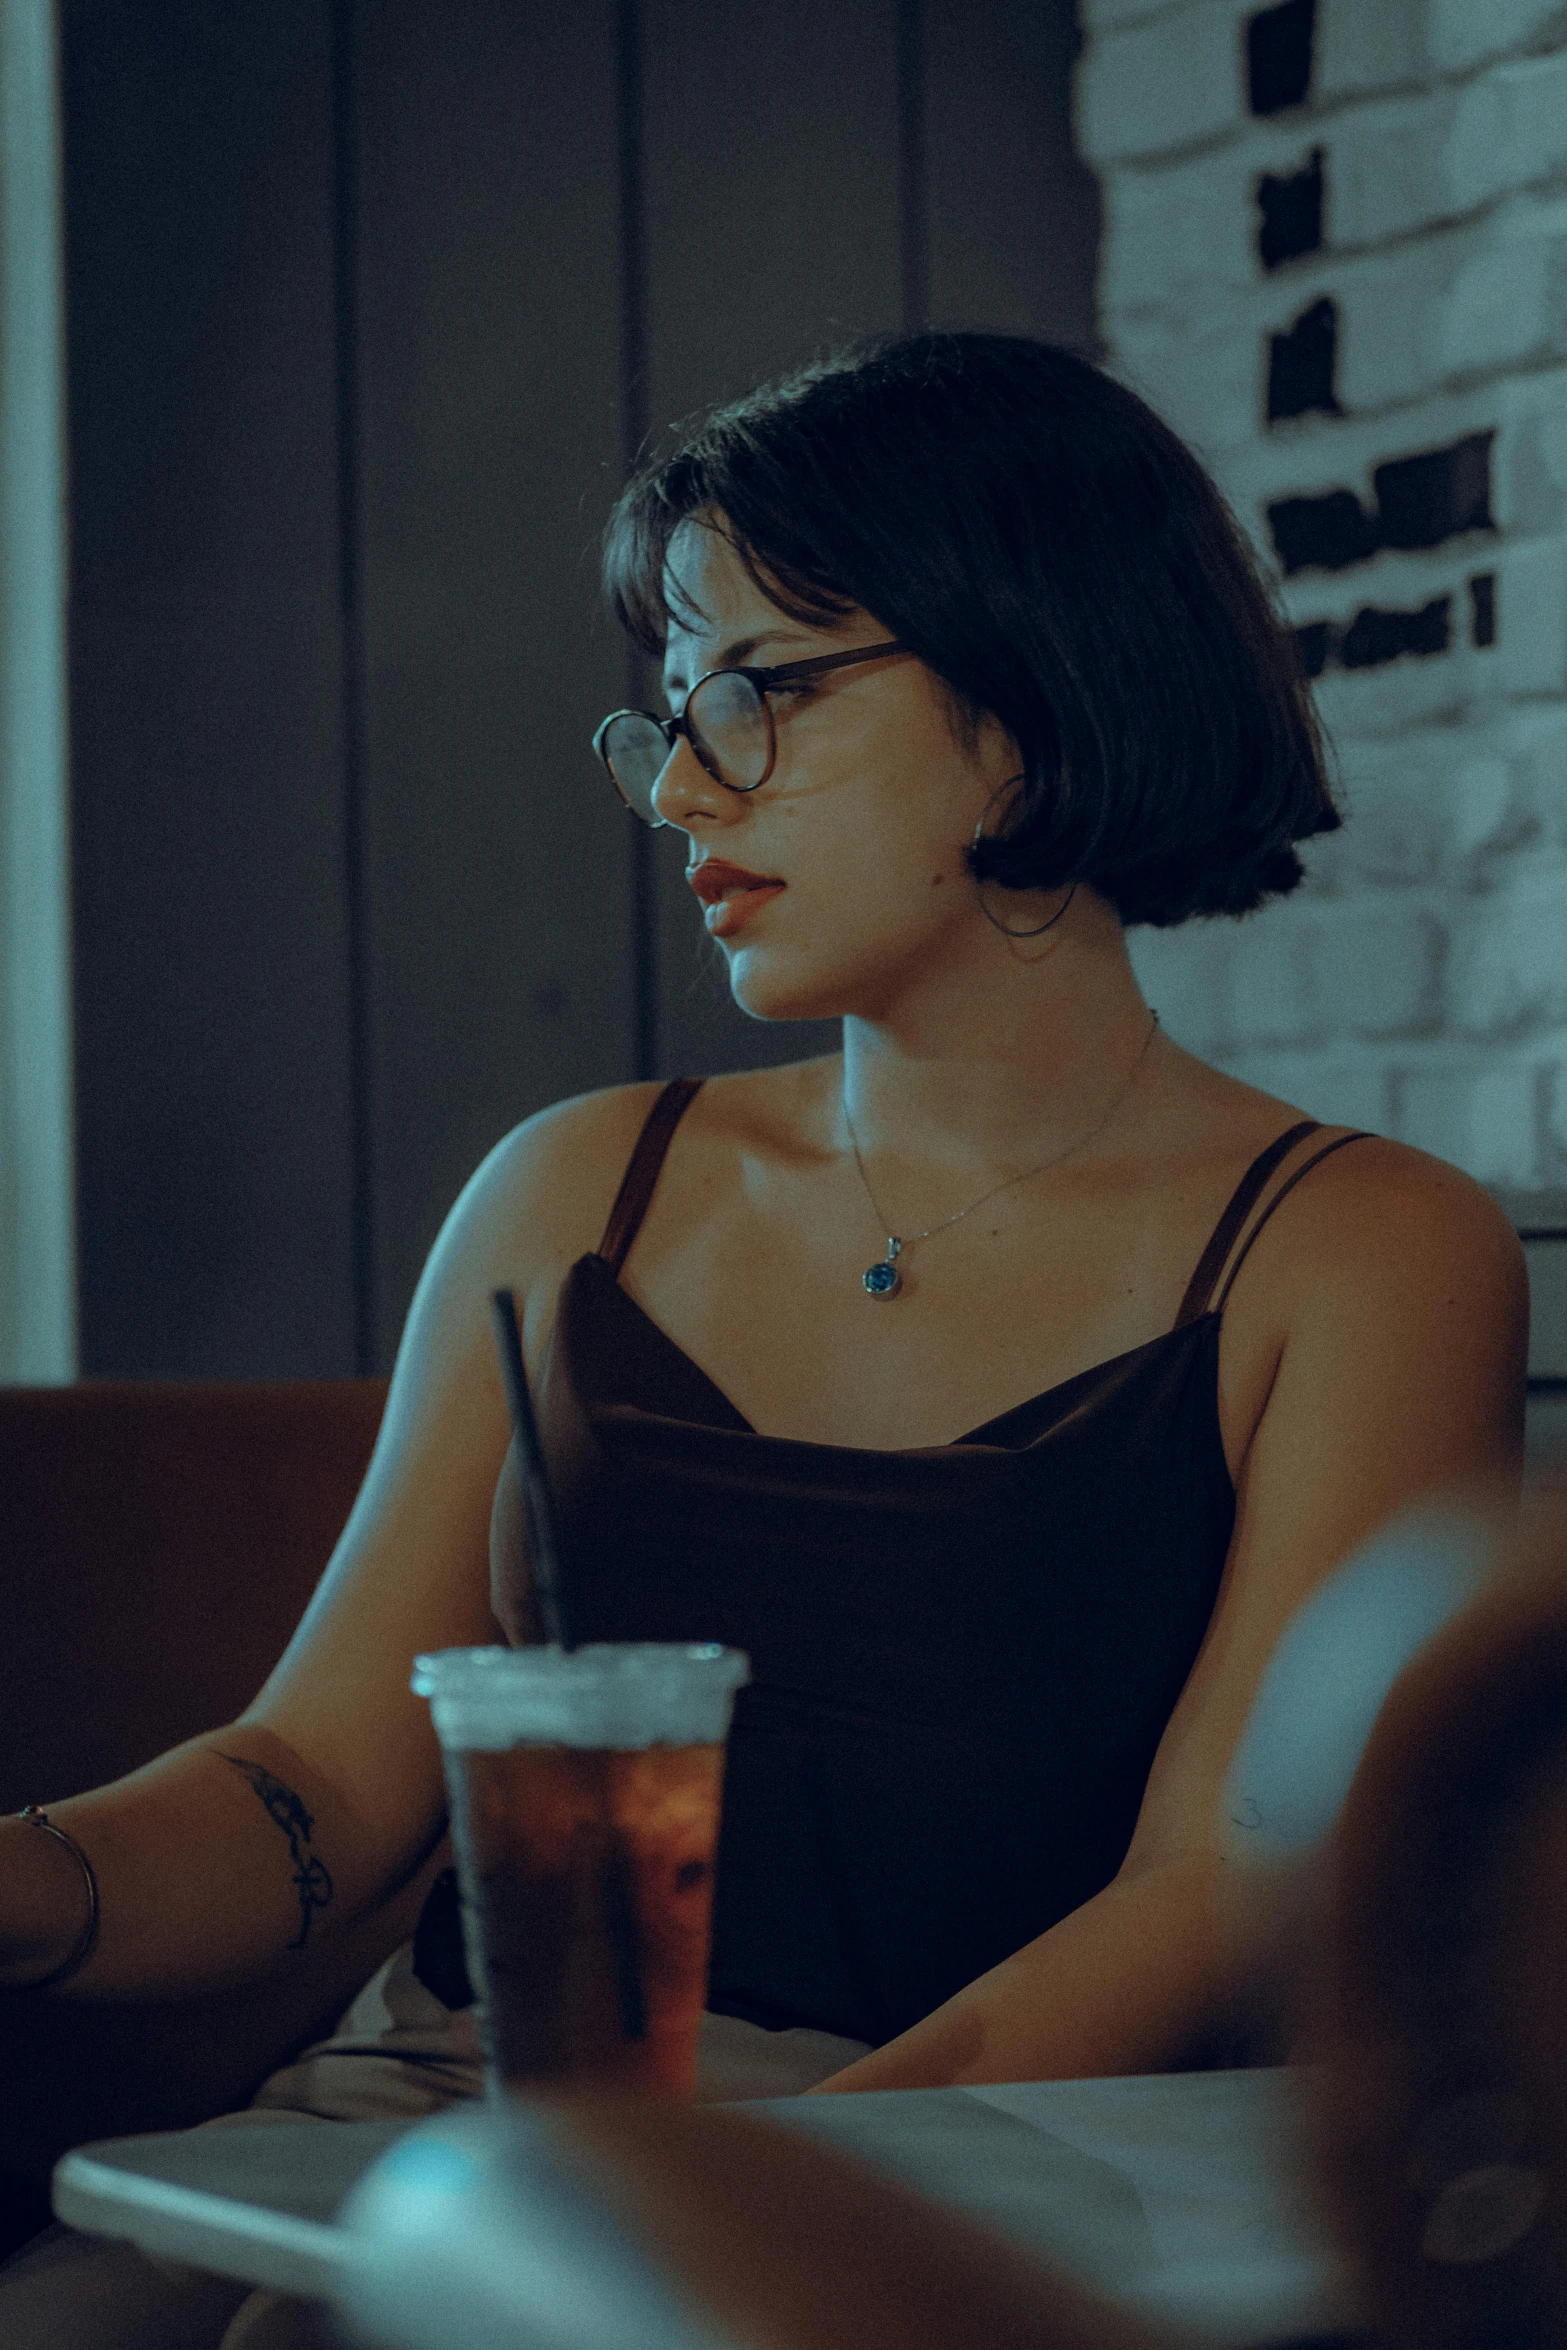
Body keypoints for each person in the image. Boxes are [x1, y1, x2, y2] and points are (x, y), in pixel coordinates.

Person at [0, 331, 1528, 2342]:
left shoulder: (1360, 1247)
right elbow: (316, 1788)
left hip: (960, 2185)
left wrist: (725, 2212)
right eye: (666, 719)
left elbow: (1221, 1888)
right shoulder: (573, 1188)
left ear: (1028, 685)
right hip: (427, 2134)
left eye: (761, 694)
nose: (686, 790)